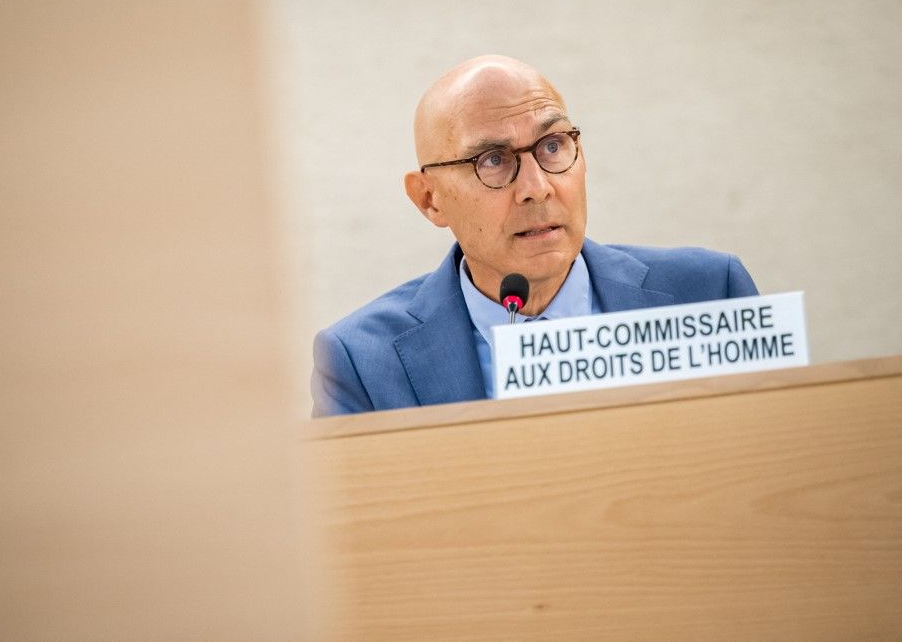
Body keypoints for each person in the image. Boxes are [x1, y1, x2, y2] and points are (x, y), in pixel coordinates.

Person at [311, 55, 758, 416]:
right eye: (492, 160)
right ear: (430, 199)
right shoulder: (360, 362)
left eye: (552, 146)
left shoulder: (710, 293)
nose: (537, 187)